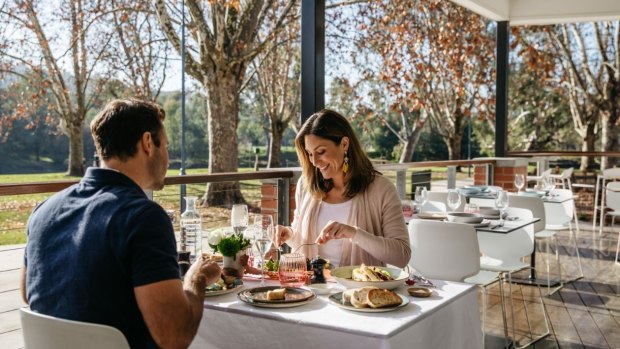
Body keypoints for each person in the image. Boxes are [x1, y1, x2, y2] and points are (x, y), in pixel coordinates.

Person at [21, 99, 221, 349]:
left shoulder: (43, 211)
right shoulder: (144, 217)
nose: (168, 159)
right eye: (167, 146)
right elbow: (174, 336)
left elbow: (28, 295)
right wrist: (197, 277)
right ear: (148, 143)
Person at [276, 109, 411, 268]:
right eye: (310, 154)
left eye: (321, 152)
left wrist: (354, 233)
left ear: (344, 144)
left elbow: (402, 255)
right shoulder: (306, 186)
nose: (315, 162)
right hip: (313, 289)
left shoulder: (381, 189)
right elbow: (303, 241)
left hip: (358, 290)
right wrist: (289, 234)